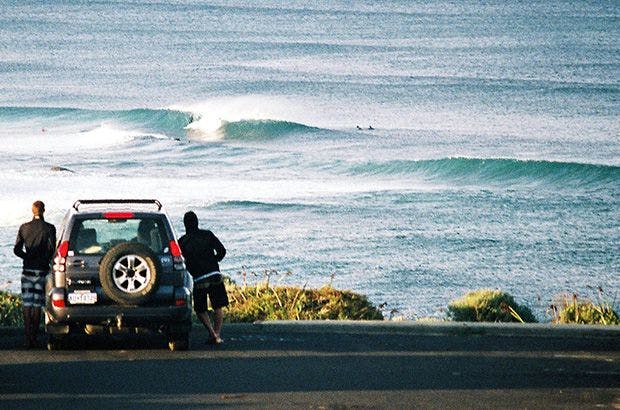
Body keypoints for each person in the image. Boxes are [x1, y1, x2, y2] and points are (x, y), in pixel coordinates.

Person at [178, 211, 228, 345]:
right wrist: (214, 262)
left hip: (199, 277)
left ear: (185, 224)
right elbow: (222, 251)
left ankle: (212, 333)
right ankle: (217, 334)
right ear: (197, 222)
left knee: (200, 309)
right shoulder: (208, 234)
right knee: (218, 306)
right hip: (214, 274)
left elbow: (181, 261)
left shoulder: (182, 241)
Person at [14, 200, 56, 348]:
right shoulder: (49, 228)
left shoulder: (24, 228)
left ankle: (27, 338)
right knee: (37, 304)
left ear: (32, 211)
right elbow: (52, 250)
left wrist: (27, 257)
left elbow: (16, 250)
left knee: (27, 304)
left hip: (27, 270)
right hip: (41, 269)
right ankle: (34, 337)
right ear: (43, 210)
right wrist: (44, 260)